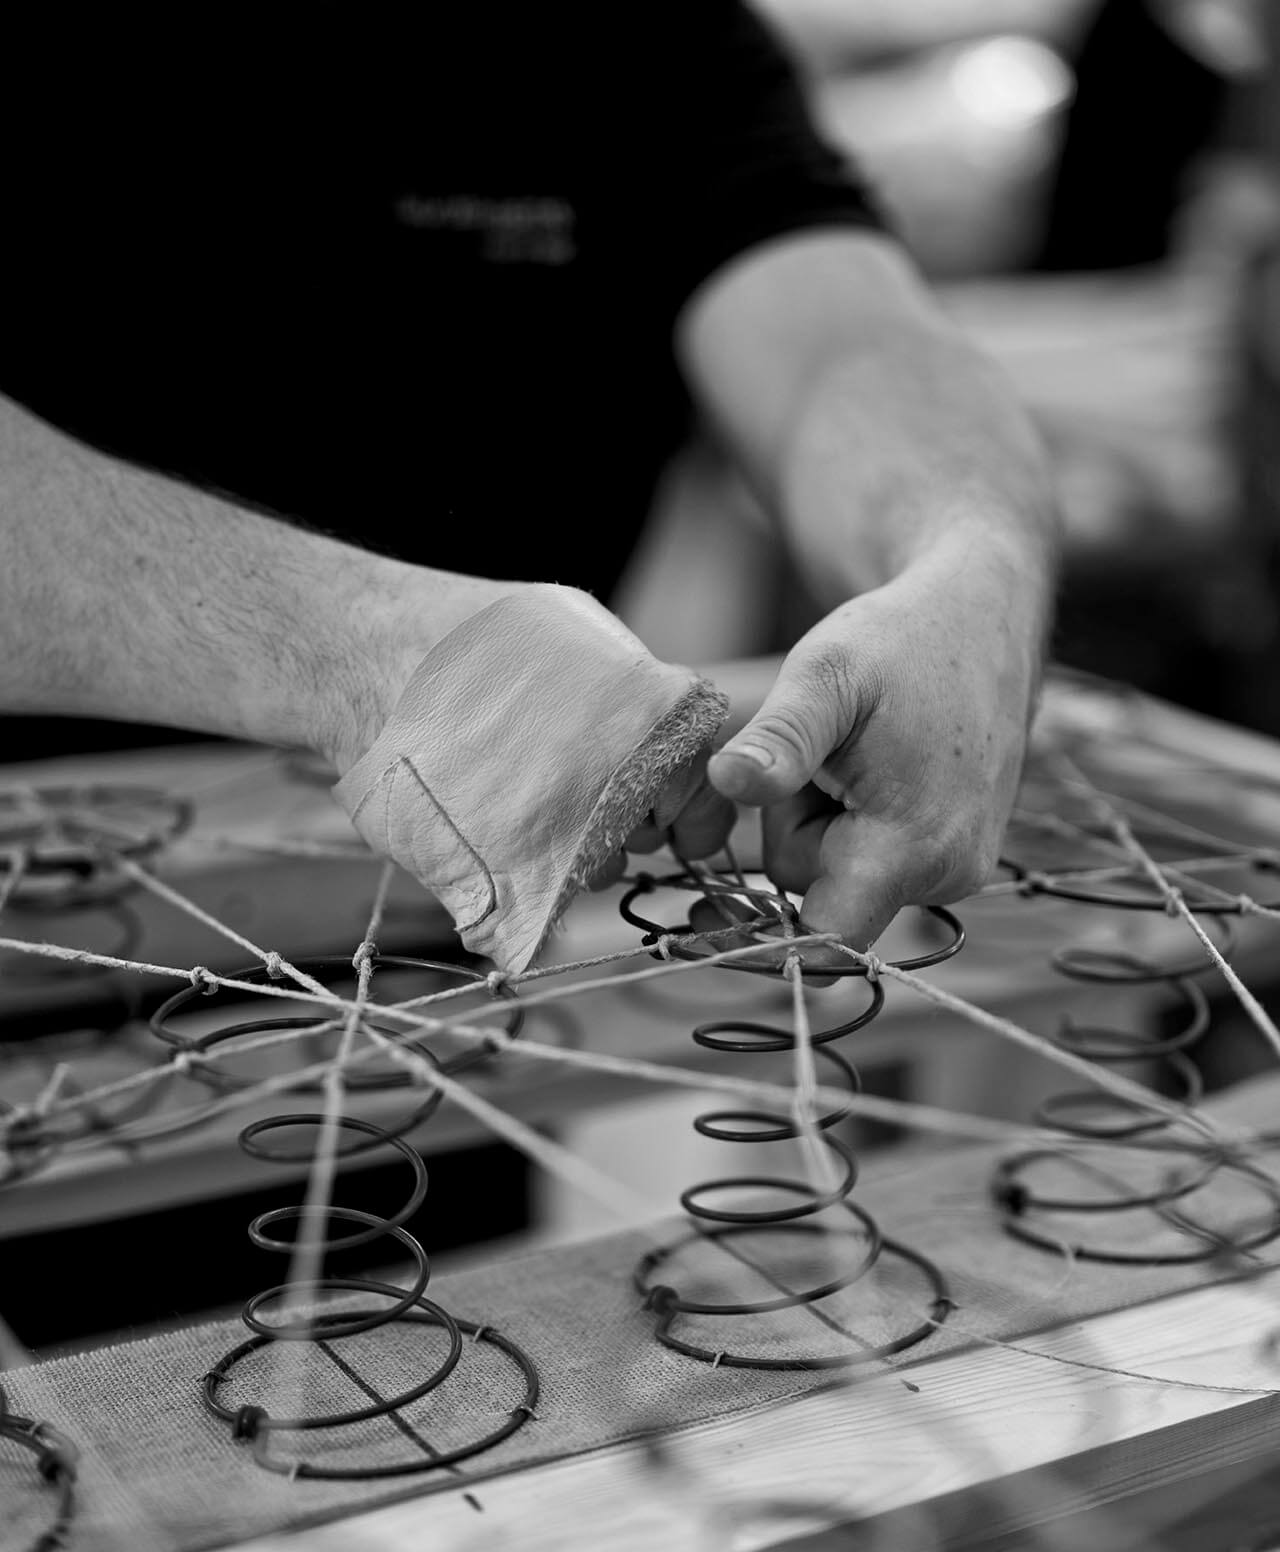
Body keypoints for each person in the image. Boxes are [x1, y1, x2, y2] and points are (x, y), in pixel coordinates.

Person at [0, 3, 1054, 971]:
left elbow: (839, 342)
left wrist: (968, 558)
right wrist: (371, 651)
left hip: (449, 949)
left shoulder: (637, 32)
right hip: (44, 896)